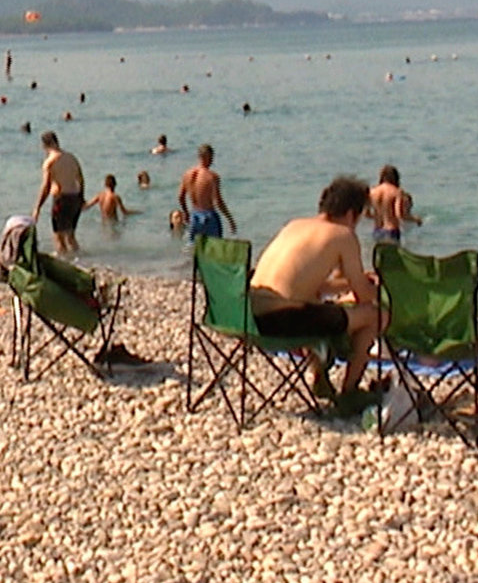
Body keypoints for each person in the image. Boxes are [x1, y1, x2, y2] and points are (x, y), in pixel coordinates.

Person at [250, 176, 384, 402]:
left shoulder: (294, 225)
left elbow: (310, 285)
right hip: (281, 322)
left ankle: (321, 373)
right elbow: (363, 295)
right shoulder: (343, 235)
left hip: (248, 316)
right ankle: (349, 392)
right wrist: (385, 291)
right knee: (376, 316)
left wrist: (347, 283)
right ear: (352, 213)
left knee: (317, 303)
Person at [32, 131, 85, 256]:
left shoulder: (50, 162)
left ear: (44, 146)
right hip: (75, 197)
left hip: (61, 199)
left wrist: (37, 207)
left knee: (59, 236)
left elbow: (46, 186)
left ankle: (64, 262)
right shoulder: (71, 157)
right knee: (71, 235)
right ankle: (80, 260)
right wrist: (81, 198)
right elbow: (81, 179)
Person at [177, 145, 235, 240]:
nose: (212, 161)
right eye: (211, 157)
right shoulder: (212, 176)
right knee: (215, 248)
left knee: (194, 248)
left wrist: (186, 212)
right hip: (208, 217)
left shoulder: (187, 174)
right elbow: (218, 201)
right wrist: (230, 219)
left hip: (194, 215)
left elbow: (180, 197)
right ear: (209, 156)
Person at [367, 164, 422, 246]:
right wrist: (416, 219)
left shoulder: (372, 192)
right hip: (391, 231)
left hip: (377, 231)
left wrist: (378, 216)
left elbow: (366, 214)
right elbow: (399, 215)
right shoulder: (396, 192)